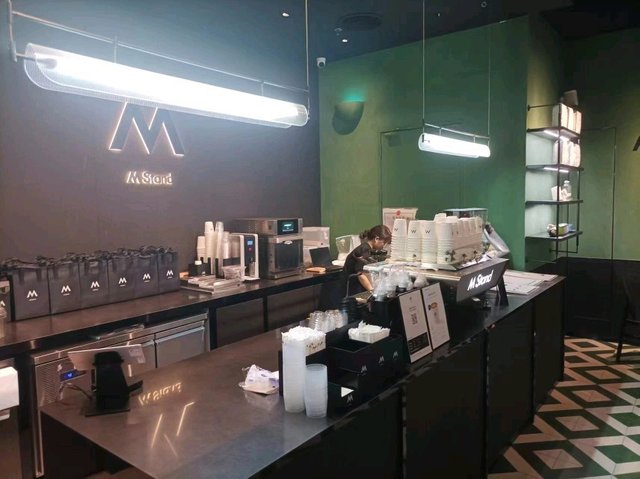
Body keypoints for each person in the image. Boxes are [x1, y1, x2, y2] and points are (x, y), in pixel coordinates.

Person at [343, 224, 391, 295]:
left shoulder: (368, 249)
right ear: (376, 239)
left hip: (356, 286)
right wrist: (373, 292)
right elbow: (361, 275)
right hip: (352, 289)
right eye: (383, 242)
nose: (383, 246)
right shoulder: (364, 250)